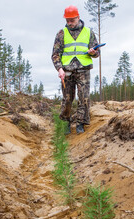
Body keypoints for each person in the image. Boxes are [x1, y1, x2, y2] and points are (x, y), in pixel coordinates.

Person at [51, 5, 100, 134]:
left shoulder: (89, 32)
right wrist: (59, 69)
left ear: (78, 17)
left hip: (83, 70)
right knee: (67, 98)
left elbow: (97, 53)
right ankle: (65, 122)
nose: (69, 23)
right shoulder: (61, 33)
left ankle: (80, 123)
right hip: (67, 72)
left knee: (84, 97)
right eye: (67, 20)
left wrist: (93, 52)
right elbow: (55, 54)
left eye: (72, 20)